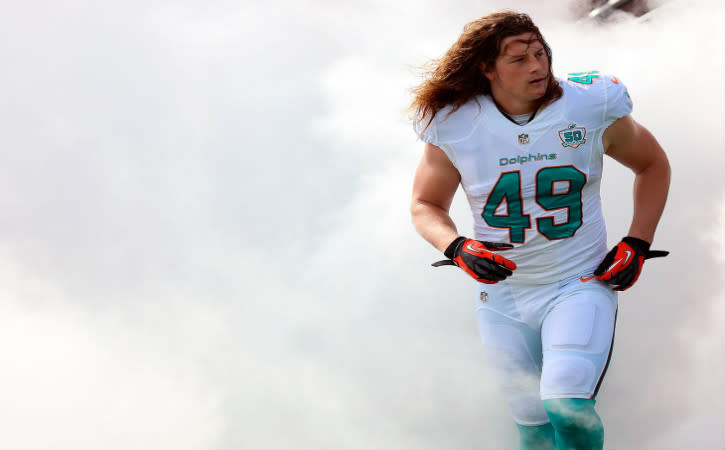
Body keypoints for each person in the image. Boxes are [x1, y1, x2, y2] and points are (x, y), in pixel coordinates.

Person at [409, 11, 670, 450]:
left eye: (540, 52)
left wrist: (638, 241)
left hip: (579, 281)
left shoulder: (588, 104)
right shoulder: (455, 123)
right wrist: (455, 246)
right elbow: (425, 205)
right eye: (519, 59)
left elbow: (652, 164)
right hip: (505, 296)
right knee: (533, 431)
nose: (538, 67)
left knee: (567, 407)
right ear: (486, 68)